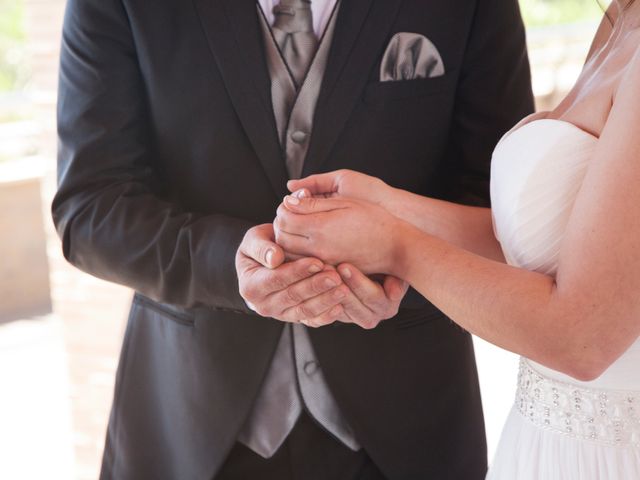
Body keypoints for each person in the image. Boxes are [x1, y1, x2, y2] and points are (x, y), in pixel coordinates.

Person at [53, 0, 533, 478]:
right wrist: (226, 264)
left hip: (409, 427)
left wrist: (402, 270)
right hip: (193, 425)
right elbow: (90, 209)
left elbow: (504, 211)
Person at [273, 1, 640, 478]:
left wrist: (397, 245)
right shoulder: (621, 16)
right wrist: (387, 204)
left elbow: (583, 340)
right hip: (542, 441)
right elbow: (550, 244)